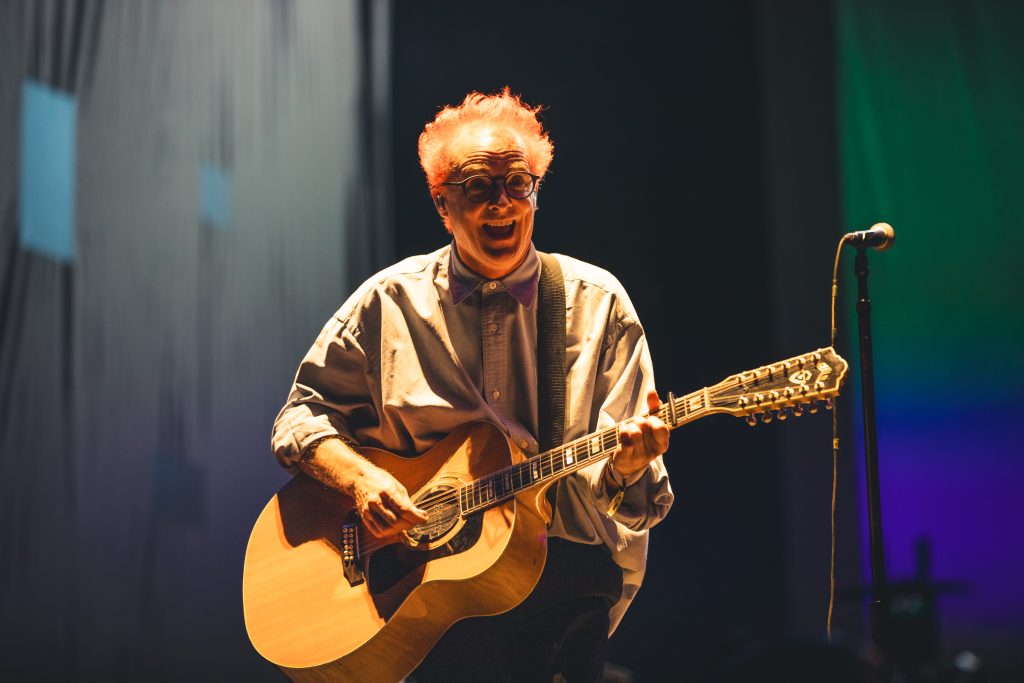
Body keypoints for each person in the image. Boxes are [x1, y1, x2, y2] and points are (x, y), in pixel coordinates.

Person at [271, 88, 674, 682]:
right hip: (425, 597)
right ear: (442, 203)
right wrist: (363, 479)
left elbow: (632, 504)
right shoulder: (389, 303)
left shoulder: (599, 304)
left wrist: (629, 467)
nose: (502, 203)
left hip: (561, 590)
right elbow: (299, 419)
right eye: (478, 187)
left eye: (519, 185)